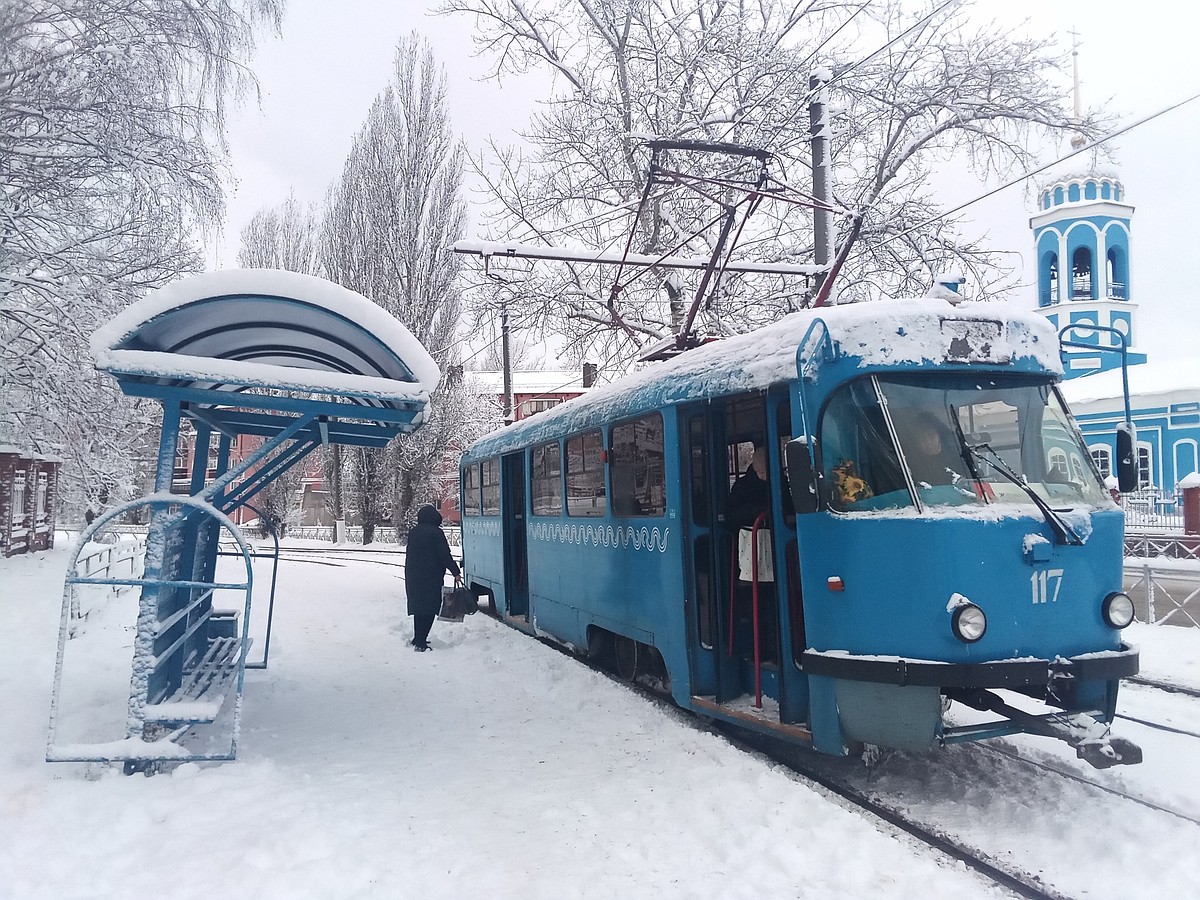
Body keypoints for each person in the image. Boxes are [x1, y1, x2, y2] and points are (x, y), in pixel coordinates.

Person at [404, 505, 460, 652]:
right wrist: (455, 571)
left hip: (413, 576)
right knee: (429, 608)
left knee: (419, 608)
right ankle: (421, 642)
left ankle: (418, 637)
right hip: (431, 577)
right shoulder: (436, 533)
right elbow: (444, 555)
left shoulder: (413, 532)